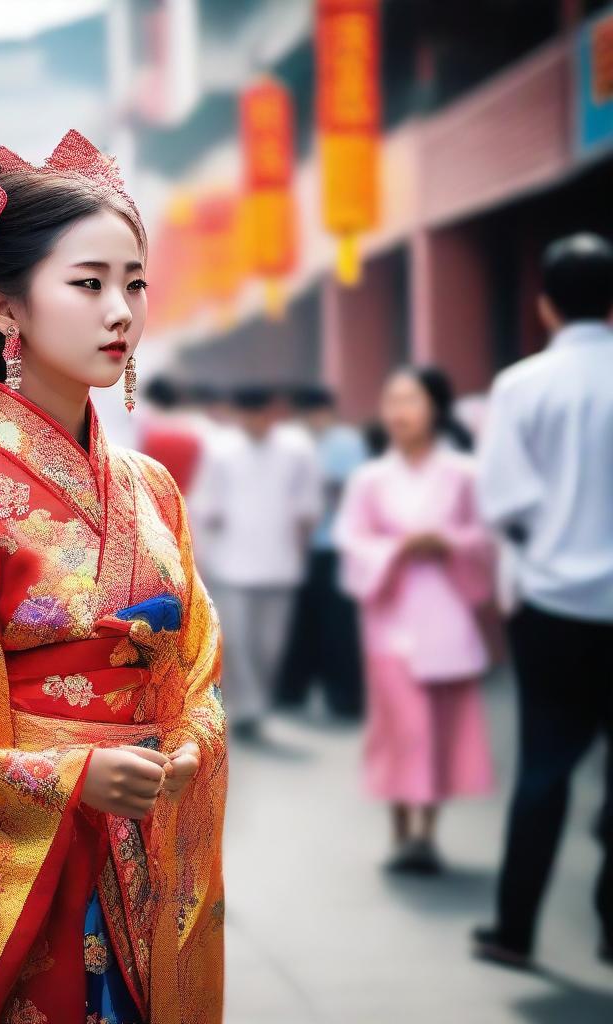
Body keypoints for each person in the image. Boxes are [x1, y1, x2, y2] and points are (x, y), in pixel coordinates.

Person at [0, 132, 226, 1024]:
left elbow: (198, 658)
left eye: (135, 282)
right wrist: (73, 775)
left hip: (142, 837)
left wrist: (186, 744)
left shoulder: (151, 489)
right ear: (2, 308)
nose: (122, 311)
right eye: (90, 282)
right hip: (42, 859)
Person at [473, 233, 613, 970]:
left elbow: (503, 502)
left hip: (553, 603)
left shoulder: (523, 385)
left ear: (546, 304)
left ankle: (515, 930)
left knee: (544, 768)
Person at [335, 367, 495, 874]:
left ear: (436, 408)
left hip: (445, 611)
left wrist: (449, 543)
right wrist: (396, 548)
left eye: (412, 400)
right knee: (401, 728)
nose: (400, 411)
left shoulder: (464, 474)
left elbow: (487, 542)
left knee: (440, 727)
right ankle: (401, 829)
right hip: (391, 615)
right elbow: (352, 541)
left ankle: (428, 831)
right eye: (392, 400)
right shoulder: (369, 478)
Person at [190, 385, 322, 747]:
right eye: (248, 415)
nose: (255, 422)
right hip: (230, 563)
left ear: (274, 411)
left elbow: (308, 507)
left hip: (280, 564)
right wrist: (202, 555)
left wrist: (300, 549)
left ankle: (255, 702)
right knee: (237, 642)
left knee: (270, 644)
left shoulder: (297, 449)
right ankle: (248, 709)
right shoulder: (220, 449)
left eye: (261, 414)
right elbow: (204, 505)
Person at [278, 386, 367, 720]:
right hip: (298, 547)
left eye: (316, 413)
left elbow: (353, 488)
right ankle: (293, 691)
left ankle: (344, 695)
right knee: (301, 623)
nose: (312, 420)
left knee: (338, 625)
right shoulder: (294, 442)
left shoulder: (346, 442)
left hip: (334, 544)